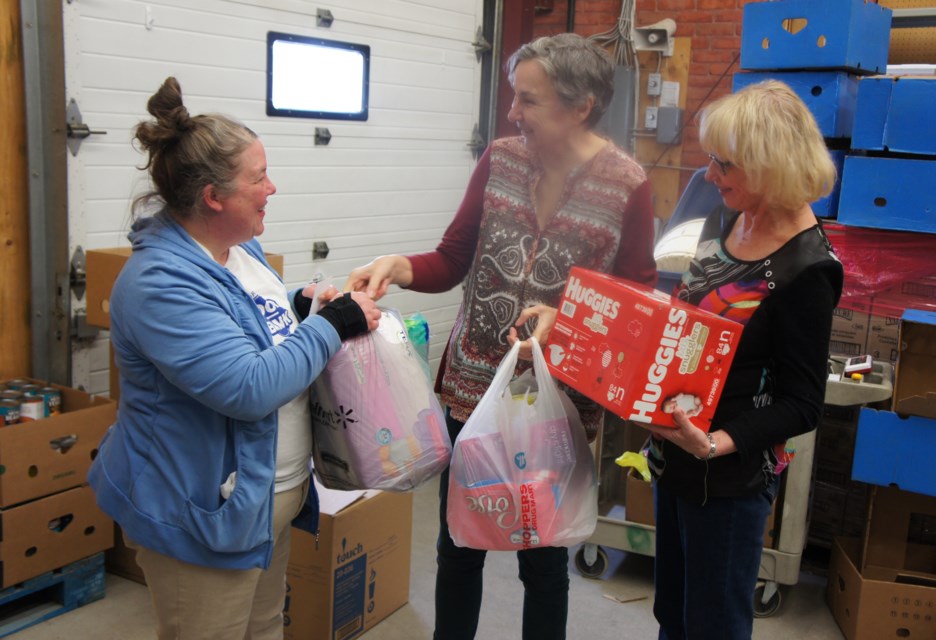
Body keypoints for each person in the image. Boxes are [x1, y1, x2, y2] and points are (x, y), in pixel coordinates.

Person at [346, 33, 657, 640]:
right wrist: (398, 266)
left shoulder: (628, 184)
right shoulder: (501, 158)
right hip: (471, 391)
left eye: (528, 100)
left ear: (580, 106)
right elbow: (451, 258)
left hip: (556, 402)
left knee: (543, 557)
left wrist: (565, 321)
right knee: (460, 542)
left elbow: (637, 305)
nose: (513, 113)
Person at [87, 77, 381, 640]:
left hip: (261, 504)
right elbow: (246, 388)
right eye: (258, 177)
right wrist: (332, 326)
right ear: (213, 197)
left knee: (264, 628)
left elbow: (248, 321)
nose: (273, 187)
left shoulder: (235, 245)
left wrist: (298, 306)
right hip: (200, 515)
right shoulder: (159, 284)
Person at [644, 79, 843, 639]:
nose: (710, 176)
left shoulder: (809, 269)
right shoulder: (722, 218)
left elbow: (803, 403)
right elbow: (687, 318)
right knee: (672, 615)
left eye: (724, 165)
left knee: (713, 625)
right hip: (674, 455)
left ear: (770, 166)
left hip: (728, 477)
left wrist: (716, 443)